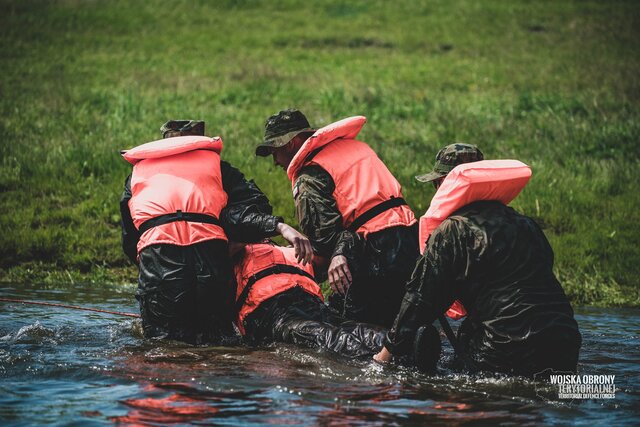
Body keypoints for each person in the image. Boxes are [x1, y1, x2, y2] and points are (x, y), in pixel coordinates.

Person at [374, 143, 582, 377]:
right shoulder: (526, 224)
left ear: (446, 184)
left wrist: (383, 358)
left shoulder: (453, 230)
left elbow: (419, 300)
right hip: (565, 345)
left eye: (436, 183)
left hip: (504, 350)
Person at [119, 120, 312, 344]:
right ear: (199, 141)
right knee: (217, 341)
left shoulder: (137, 175)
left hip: (160, 264)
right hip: (210, 263)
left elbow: (130, 240)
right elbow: (257, 205)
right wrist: (232, 240)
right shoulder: (218, 167)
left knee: (163, 345)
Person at [255, 109, 419, 328]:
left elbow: (325, 243)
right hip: (410, 238)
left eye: (275, 151)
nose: (275, 160)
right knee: (403, 324)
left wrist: (299, 264)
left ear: (291, 143)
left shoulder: (309, 175)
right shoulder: (357, 148)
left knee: (356, 333)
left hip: (373, 252)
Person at [232, 240, 388, 359]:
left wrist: (338, 254)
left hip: (314, 306)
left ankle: (396, 351)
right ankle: (382, 367)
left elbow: (328, 250)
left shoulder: (295, 248)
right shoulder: (236, 249)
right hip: (273, 314)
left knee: (377, 335)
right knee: (333, 339)